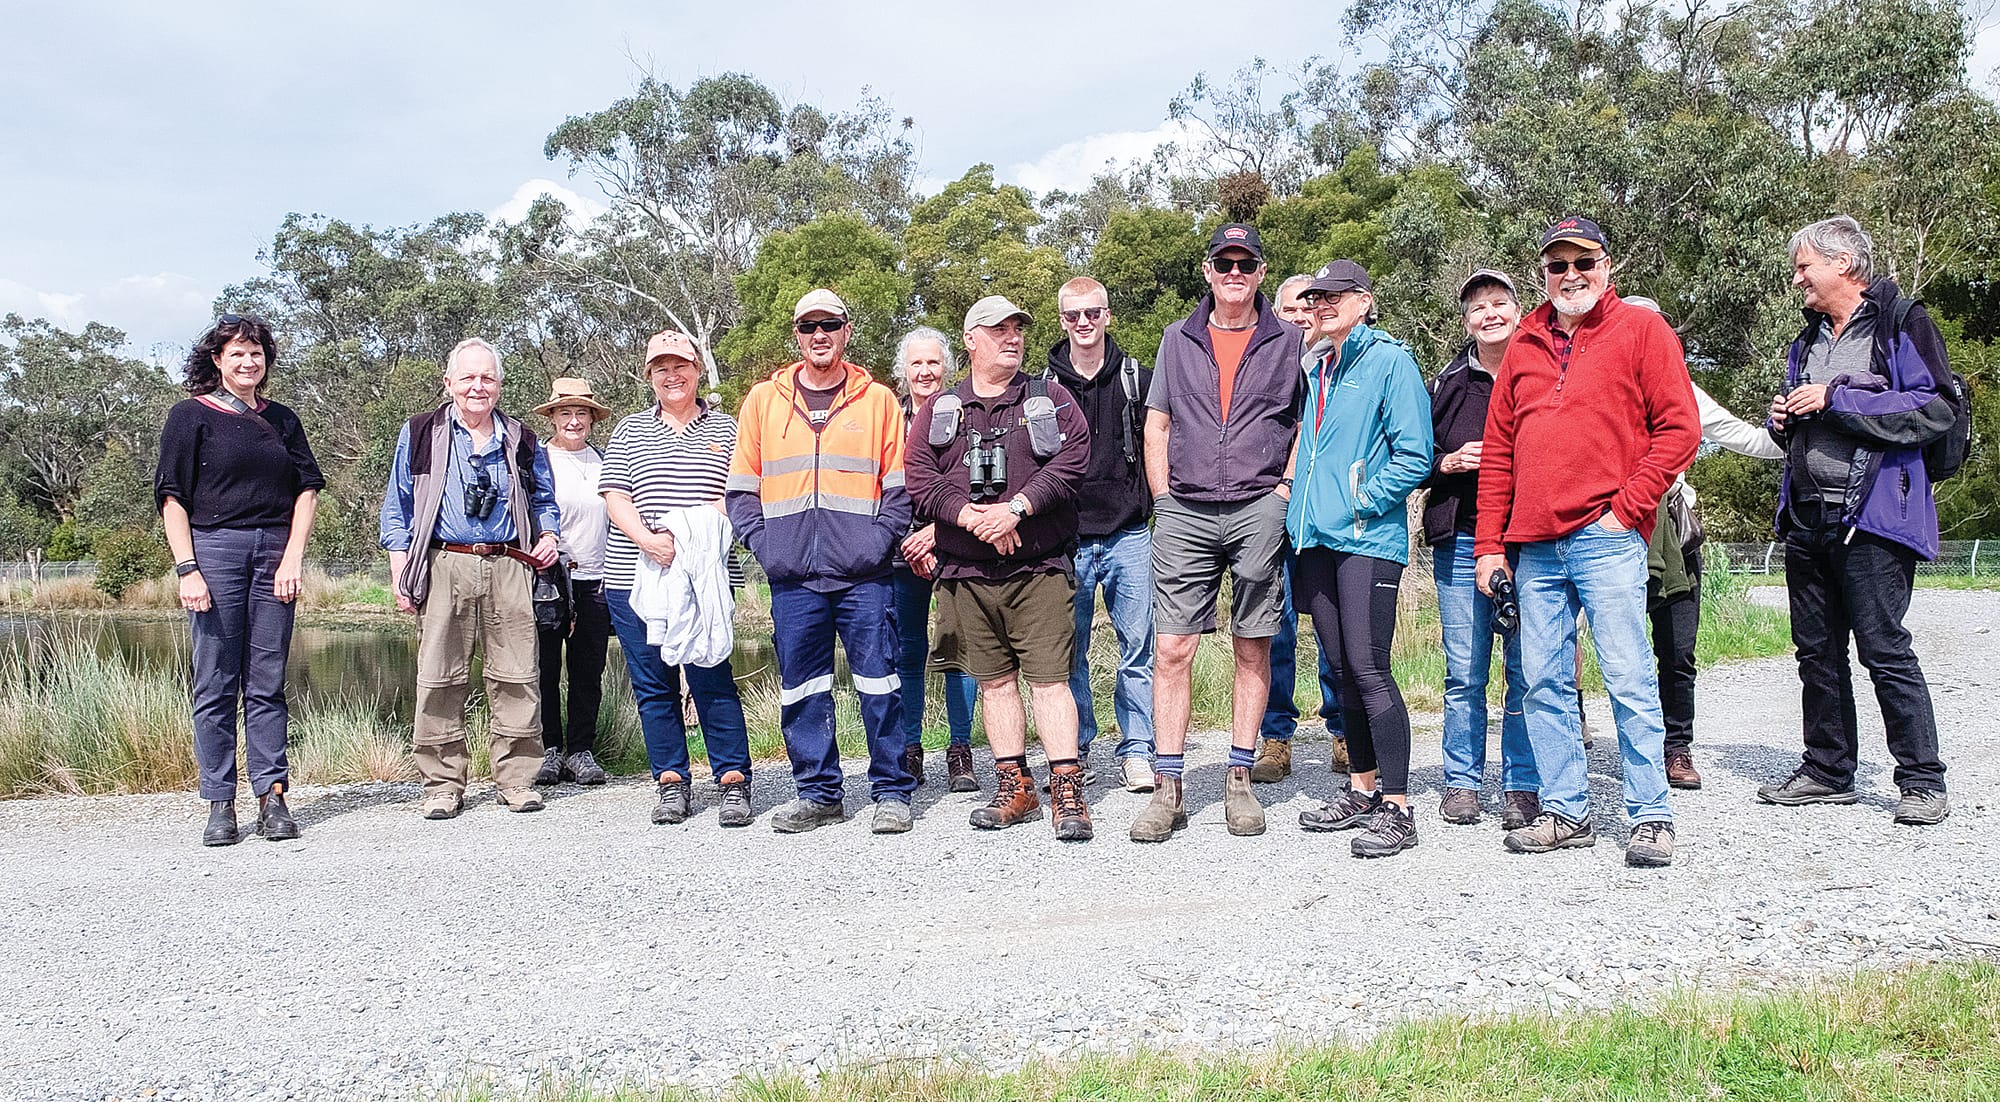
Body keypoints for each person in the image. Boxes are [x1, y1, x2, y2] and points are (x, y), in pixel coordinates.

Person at [1475, 217, 1699, 868]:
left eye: (1584, 262)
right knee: (1543, 685)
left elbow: (1679, 430)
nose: (1571, 276)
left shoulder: (1641, 330)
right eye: (1557, 265)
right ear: (1542, 273)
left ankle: (1652, 815)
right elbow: (1499, 452)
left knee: (1629, 678)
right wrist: (1490, 544)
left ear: (1607, 266)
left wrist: (1627, 509)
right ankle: (1567, 811)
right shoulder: (1525, 343)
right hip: (1535, 549)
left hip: (1606, 540)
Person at [1757, 215, 1954, 826]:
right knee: (1815, 651)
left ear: (1843, 263)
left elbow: (1935, 406)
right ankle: (1827, 769)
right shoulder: (1807, 339)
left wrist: (1836, 399)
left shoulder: (1901, 322)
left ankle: (1922, 780)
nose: (1798, 280)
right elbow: (1807, 412)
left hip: (1875, 519)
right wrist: (1783, 418)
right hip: (1808, 515)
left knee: (1883, 648)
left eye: (1803, 266)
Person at [1131, 223, 1303, 842]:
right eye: (1224, 263)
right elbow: (1158, 424)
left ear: (1260, 272)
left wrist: (1283, 490)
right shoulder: (1177, 340)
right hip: (1187, 511)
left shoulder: (1289, 341)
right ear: (1208, 271)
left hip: (1259, 505)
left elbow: (1303, 422)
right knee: (1173, 648)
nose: (1235, 273)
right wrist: (1164, 500)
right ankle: (1167, 788)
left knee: (1252, 642)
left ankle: (1239, 780)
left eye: (1246, 263)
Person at [727, 289, 916, 834]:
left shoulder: (877, 400)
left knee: (880, 683)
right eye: (809, 326)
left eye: (829, 324)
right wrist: (767, 546)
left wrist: (875, 544)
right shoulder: (763, 401)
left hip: (864, 575)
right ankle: (818, 793)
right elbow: (741, 490)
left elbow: (900, 489)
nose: (819, 335)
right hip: (792, 579)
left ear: (846, 331)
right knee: (802, 688)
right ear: (796, 334)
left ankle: (891, 791)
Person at [908, 296, 1095, 839]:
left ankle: (1068, 792)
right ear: (970, 340)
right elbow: (920, 477)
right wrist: (971, 517)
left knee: (1050, 682)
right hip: (966, 576)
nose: (1011, 337)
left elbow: (1074, 460)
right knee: (993, 683)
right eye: (997, 329)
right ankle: (1015, 786)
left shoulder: (1051, 399)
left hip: (1038, 568)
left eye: (1017, 328)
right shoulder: (941, 410)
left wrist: (1017, 508)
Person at [157, 314, 324, 846]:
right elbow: (171, 498)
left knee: (266, 680)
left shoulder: (283, 419)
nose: (248, 362)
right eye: (237, 354)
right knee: (214, 681)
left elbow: (307, 488)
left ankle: (272, 797)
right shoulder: (189, 417)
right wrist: (188, 568)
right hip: (214, 550)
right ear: (217, 360)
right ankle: (219, 803)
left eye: (256, 354)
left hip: (274, 550)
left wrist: (293, 556)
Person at [1287, 262, 1434, 858]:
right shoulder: (1319, 366)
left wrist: (1362, 501)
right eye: (1315, 298)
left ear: (1365, 302)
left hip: (1366, 541)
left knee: (1371, 669)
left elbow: (1415, 453)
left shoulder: (1390, 361)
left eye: (1334, 297)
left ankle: (1398, 807)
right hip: (1316, 540)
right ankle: (1363, 790)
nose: (1321, 306)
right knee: (1343, 668)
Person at [380, 338, 562, 819]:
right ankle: (442, 784)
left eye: (488, 378)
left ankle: (518, 780)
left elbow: (545, 500)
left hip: (509, 562)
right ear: (449, 384)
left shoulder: (522, 439)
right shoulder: (420, 433)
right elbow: (397, 506)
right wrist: (402, 570)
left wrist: (549, 535)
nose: (478, 387)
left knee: (518, 675)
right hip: (444, 563)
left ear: (500, 386)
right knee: (439, 675)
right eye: (468, 378)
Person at [1620, 295, 1786, 792]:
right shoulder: (1595, 386)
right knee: (1590, 642)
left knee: (1676, 649)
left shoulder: (1684, 391)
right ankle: (1582, 732)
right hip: (1605, 529)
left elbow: (1746, 438)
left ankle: (1676, 748)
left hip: (1672, 533)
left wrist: (1799, 432)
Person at [602, 332, 755, 826]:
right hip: (635, 575)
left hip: (705, 576)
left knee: (712, 675)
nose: (673, 375)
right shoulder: (627, 430)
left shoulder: (729, 429)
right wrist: (649, 539)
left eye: (681, 365)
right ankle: (671, 780)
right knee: (654, 685)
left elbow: (740, 494)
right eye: (661, 368)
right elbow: (615, 495)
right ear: (649, 375)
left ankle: (732, 780)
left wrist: (686, 534)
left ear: (697, 370)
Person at [1423, 269, 1539, 830]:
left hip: (1530, 539)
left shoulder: (1542, 369)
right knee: (1464, 671)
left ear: (1518, 309)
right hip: (1462, 538)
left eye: (1500, 303)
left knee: (1526, 667)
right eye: (1478, 307)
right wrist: (1447, 462)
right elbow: (1411, 454)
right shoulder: (1446, 385)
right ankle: (1461, 782)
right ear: (1465, 320)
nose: (1489, 314)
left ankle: (1521, 783)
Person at [1044, 276, 1156, 793]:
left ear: (1108, 315)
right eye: (1073, 316)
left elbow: (1161, 444)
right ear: (1062, 320)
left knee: (1139, 649)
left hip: (1129, 534)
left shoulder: (1138, 377)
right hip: (1066, 538)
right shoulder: (1041, 388)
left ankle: (1137, 749)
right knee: (1070, 652)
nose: (1083, 323)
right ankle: (1078, 747)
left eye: (1092, 313)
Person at [1255, 274, 1346, 783]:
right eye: (1289, 308)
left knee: (1334, 629)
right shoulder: (1267, 362)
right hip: (1272, 509)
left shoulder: (1337, 363)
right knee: (1276, 628)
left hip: (1323, 513)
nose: (1299, 317)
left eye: (1308, 307)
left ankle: (1342, 731)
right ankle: (1275, 736)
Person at [891, 327, 980, 791]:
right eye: (916, 364)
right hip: (901, 552)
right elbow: (884, 485)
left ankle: (961, 750)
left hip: (955, 545)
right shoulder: (889, 417)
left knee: (958, 652)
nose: (925, 372)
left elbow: (973, 484)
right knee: (908, 651)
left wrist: (937, 535)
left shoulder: (967, 414)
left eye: (933, 363)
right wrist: (909, 539)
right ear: (903, 371)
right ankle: (910, 747)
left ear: (947, 367)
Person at [531, 378, 614, 788]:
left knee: (588, 671)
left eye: (582, 413)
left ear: (592, 419)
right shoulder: (537, 461)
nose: (574, 420)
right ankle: (548, 749)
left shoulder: (605, 461)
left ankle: (581, 750)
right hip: (549, 580)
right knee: (544, 668)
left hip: (596, 580)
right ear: (552, 417)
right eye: (566, 412)